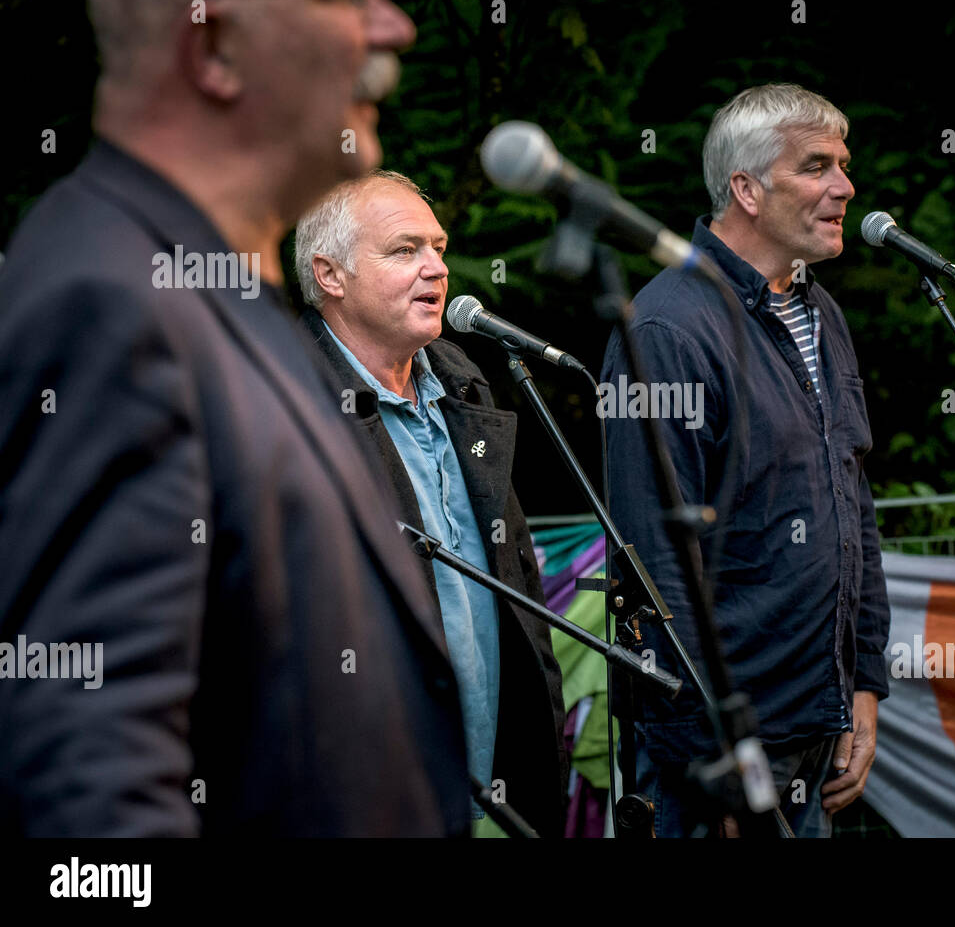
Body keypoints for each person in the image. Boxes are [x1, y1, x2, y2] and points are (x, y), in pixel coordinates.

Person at [0, 0, 474, 835]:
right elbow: (90, 795)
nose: (394, 29)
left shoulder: (217, 293)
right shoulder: (112, 306)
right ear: (215, 45)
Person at [600, 83, 890, 837]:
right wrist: (712, 761)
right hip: (720, 751)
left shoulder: (820, 311)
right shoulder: (667, 327)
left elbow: (851, 499)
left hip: (815, 725)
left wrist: (864, 681)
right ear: (747, 188)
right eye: (817, 166)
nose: (845, 186)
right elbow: (654, 564)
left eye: (844, 164)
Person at [294, 169, 568, 837]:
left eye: (439, 248)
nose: (435, 268)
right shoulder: (287, 404)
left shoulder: (465, 385)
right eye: (404, 250)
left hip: (501, 796)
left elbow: (519, 583)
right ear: (330, 275)